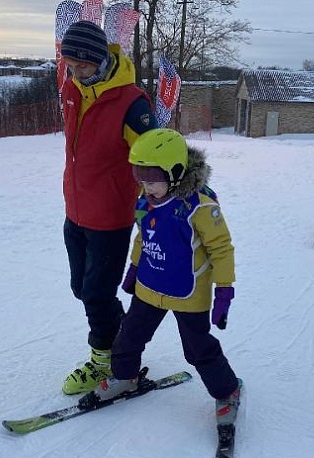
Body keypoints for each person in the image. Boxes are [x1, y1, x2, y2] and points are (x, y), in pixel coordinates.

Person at [93, 128, 241, 426]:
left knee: (198, 349)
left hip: (189, 293)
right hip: (150, 286)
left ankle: (227, 391)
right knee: (129, 336)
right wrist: (134, 268)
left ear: (175, 172)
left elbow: (221, 249)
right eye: (140, 178)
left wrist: (224, 290)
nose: (146, 187)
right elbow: (143, 236)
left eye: (152, 179)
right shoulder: (147, 199)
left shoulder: (199, 206)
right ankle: (125, 377)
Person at [58, 20, 158, 395]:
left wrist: (164, 202)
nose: (76, 72)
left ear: (100, 60)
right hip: (76, 209)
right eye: (70, 65)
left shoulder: (131, 103)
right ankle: (121, 340)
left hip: (111, 216)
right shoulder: (71, 89)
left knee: (98, 291)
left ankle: (104, 361)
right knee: (81, 288)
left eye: (82, 66)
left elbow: (153, 155)